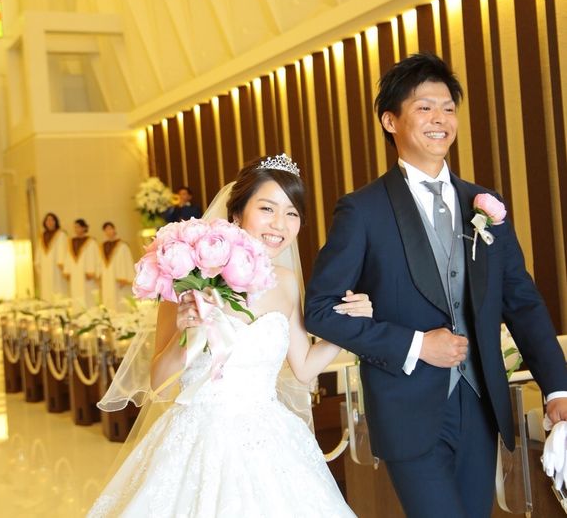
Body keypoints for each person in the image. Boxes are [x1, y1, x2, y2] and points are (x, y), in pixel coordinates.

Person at [304, 53, 567, 518]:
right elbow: (320, 310)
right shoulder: (363, 211)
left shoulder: (485, 204)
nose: (440, 119)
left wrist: (557, 390)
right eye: (424, 108)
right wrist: (416, 345)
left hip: (480, 405)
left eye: (448, 108)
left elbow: (522, 301)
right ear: (390, 121)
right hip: (407, 409)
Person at [88, 154, 370, 517]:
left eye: (292, 213)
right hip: (198, 439)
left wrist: (348, 324)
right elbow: (159, 383)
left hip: (271, 441)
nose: (280, 224)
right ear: (236, 213)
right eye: (267, 208)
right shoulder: (189, 276)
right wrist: (183, 332)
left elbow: (303, 368)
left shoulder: (286, 283)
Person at [63, 218, 101, 309]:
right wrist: (67, 271)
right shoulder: (71, 242)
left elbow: (96, 257)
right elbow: (68, 257)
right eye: (75, 227)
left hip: (87, 276)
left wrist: (92, 271)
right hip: (75, 274)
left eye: (79, 227)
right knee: (76, 296)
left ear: (84, 228)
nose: (76, 229)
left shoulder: (91, 242)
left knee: (88, 297)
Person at [99, 222, 135, 310]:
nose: (108, 232)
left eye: (110, 229)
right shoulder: (102, 246)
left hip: (120, 279)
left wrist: (125, 278)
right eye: (106, 230)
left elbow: (127, 262)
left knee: (121, 301)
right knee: (109, 300)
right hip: (107, 278)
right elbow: (100, 263)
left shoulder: (122, 245)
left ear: (114, 229)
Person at [34, 212, 68, 301]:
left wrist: (62, 266)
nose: (49, 222)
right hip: (45, 269)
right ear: (45, 222)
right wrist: (38, 264)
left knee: (58, 293)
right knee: (46, 293)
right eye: (47, 220)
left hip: (57, 269)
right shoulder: (41, 236)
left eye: (52, 220)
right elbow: (38, 253)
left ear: (55, 222)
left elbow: (63, 251)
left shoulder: (61, 234)